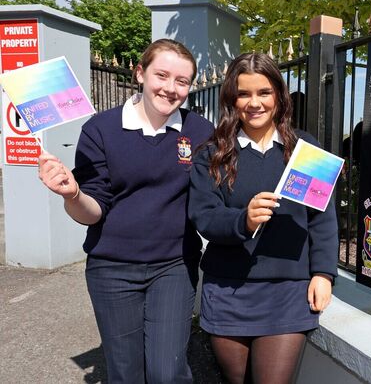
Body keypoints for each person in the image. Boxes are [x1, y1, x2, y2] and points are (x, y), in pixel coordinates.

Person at [37, 39, 214, 383]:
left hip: (174, 265)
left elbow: (222, 184)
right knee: (125, 373)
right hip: (112, 269)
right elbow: (92, 211)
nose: (171, 88)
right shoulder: (100, 130)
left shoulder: (200, 131)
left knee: (167, 372)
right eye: (161, 75)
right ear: (140, 74)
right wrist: (72, 194)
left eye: (182, 81)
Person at [188, 52, 338, 383]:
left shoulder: (304, 148)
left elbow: (322, 219)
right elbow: (205, 216)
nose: (254, 103)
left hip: (288, 291)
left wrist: (324, 274)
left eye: (264, 93)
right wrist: (245, 221)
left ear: (278, 96)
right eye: (244, 93)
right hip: (228, 290)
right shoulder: (212, 154)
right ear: (231, 98)